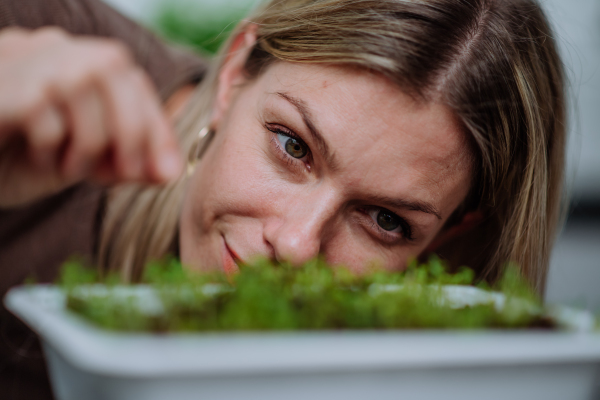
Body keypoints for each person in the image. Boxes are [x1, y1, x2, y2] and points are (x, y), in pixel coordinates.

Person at [0, 0, 566, 398]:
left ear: (449, 238)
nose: (296, 245)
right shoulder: (32, 53)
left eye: (386, 220)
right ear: (235, 75)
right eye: (293, 146)